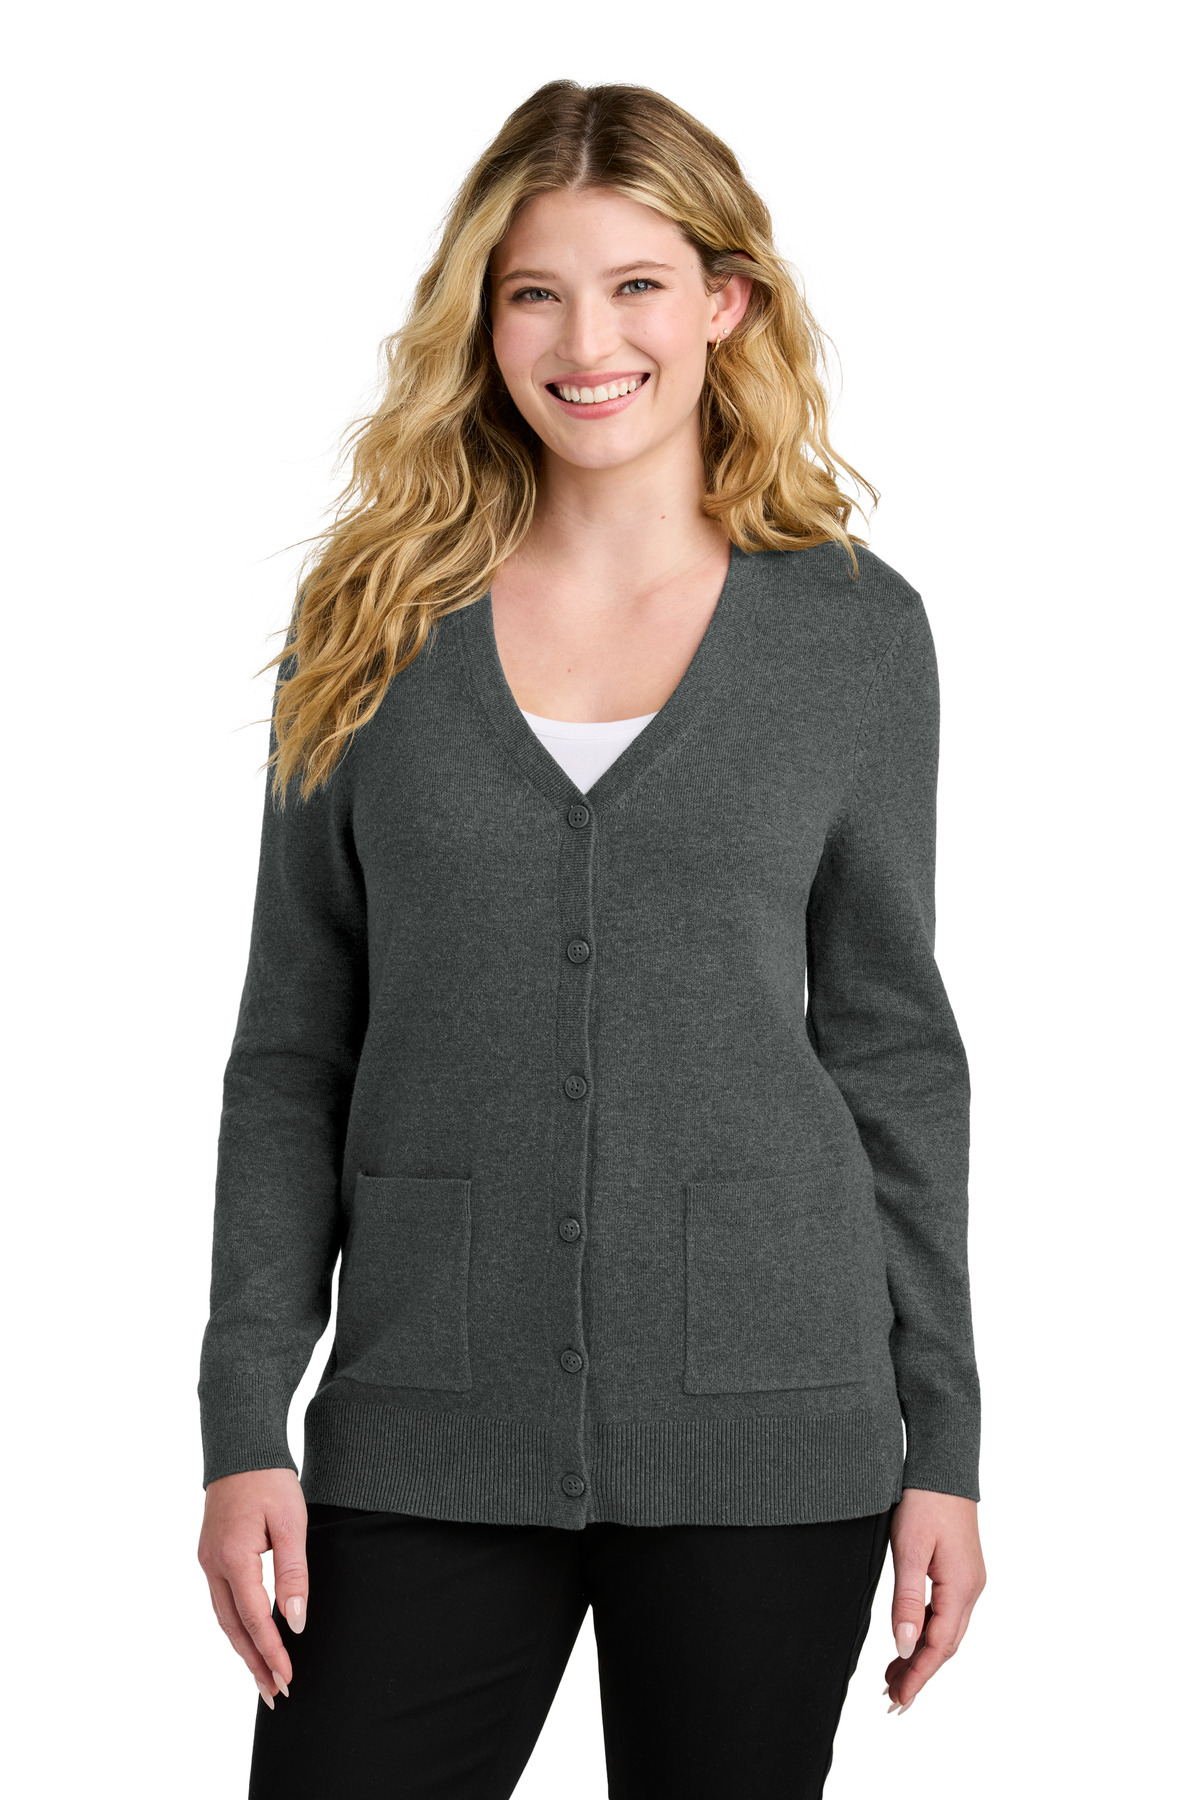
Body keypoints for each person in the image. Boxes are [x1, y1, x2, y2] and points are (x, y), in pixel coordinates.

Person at [197, 78, 986, 1800]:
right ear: (481, 323)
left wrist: (949, 1440)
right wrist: (243, 1420)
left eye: (638, 285)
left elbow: (891, 1047)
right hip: (426, 1412)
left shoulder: (853, 635)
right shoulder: (372, 624)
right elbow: (294, 1047)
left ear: (726, 302)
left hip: (771, 1422)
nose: (587, 341)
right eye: (535, 293)